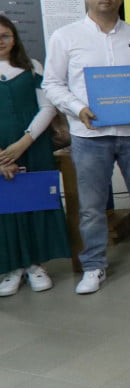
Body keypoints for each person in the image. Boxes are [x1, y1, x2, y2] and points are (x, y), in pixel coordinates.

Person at [42, 0, 130, 294]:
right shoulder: (65, 37)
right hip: (89, 137)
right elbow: (52, 83)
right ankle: (94, 265)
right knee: (91, 206)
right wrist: (77, 108)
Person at [0, 16, 70, 296]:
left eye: (5, 35)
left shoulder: (32, 67)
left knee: (35, 202)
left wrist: (24, 143)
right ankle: (12, 267)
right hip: (1, 153)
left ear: (14, 37)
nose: (1, 41)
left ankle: (35, 265)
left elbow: (48, 107)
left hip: (33, 146)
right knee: (6, 207)